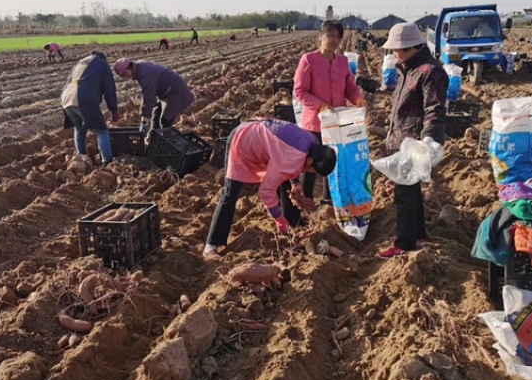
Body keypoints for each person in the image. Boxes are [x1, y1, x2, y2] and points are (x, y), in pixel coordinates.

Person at [202, 119, 337, 260]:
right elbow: (266, 191)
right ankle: (211, 246)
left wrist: (295, 184)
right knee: (230, 194)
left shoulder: (312, 142)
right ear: (310, 161)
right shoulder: (292, 157)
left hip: (263, 140)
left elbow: (289, 163)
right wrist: (278, 219)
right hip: (242, 142)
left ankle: (294, 223)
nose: (310, 173)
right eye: (312, 170)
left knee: (285, 181)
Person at [379, 23, 448, 259]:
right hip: (402, 140)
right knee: (410, 189)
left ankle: (404, 242)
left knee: (404, 194)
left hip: (414, 142)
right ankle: (417, 233)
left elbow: (434, 110)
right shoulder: (410, 69)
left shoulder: (430, 72)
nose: (393, 53)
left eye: (395, 49)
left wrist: (428, 139)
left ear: (407, 47)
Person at [293, 19, 366, 201]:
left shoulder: (342, 61)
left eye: (337, 36)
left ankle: (329, 198)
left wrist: (357, 98)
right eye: (330, 35)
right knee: (310, 164)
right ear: (321, 36)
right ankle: (306, 201)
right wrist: (321, 106)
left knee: (334, 161)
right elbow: (299, 91)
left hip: (338, 121)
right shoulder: (309, 60)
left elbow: (350, 86)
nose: (334, 40)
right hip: (315, 123)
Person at [60, 51, 119, 164]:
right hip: (84, 97)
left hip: (66, 97)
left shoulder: (81, 63)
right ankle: (107, 161)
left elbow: (68, 81)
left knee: (79, 128)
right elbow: (109, 90)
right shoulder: (102, 64)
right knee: (101, 130)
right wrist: (114, 110)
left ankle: (81, 157)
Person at [113, 58, 195, 133]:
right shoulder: (139, 66)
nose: (127, 78)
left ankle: (166, 144)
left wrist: (144, 122)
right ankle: (153, 138)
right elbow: (147, 94)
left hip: (176, 91)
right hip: (168, 92)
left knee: (165, 121)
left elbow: (149, 98)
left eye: (125, 75)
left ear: (127, 71)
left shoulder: (144, 75)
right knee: (156, 114)